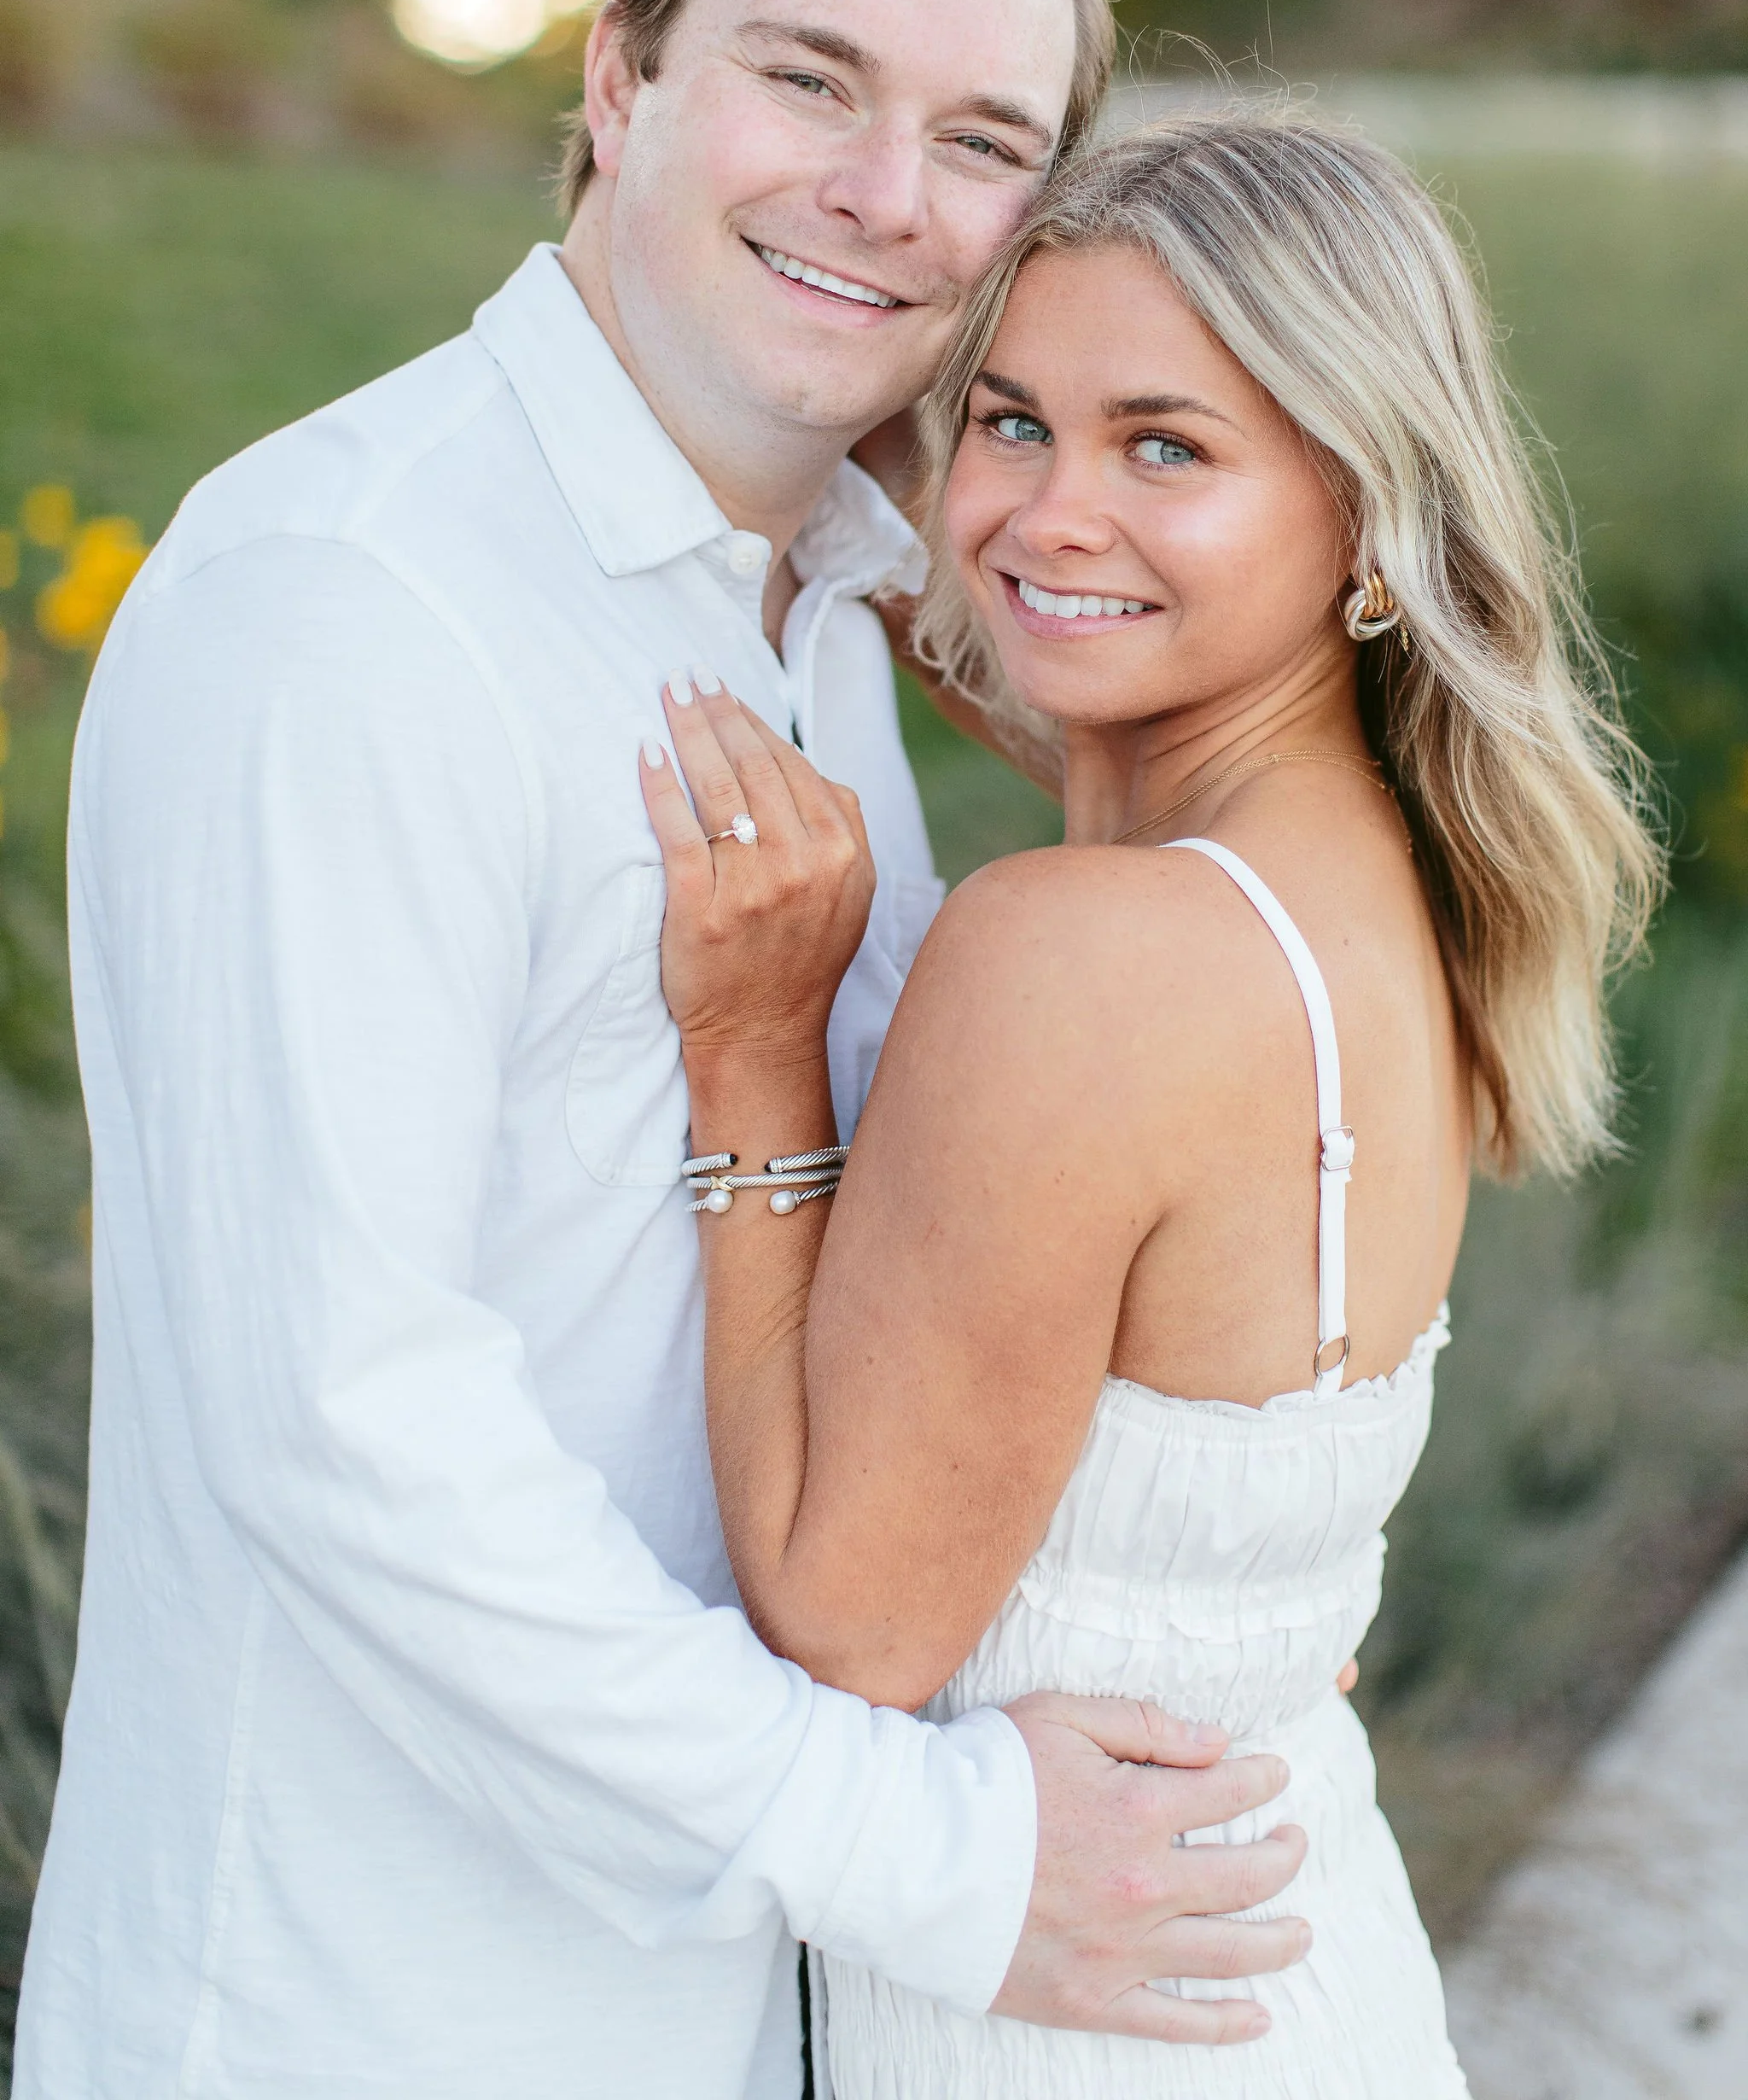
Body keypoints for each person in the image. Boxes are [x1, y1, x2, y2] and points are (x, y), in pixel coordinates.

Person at [15, 0, 1316, 2100]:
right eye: (810, 80)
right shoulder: (350, 607)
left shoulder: (824, 597)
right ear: (621, 82)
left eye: (982, 141)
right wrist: (926, 1851)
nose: (884, 196)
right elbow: (343, 1429)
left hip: (724, 2003)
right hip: (366, 2016)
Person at [638, 107, 1665, 2097]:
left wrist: (753, 1049)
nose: (1047, 514)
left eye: (1165, 447)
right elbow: (1041, 625)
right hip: (1294, 1979)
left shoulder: (1083, 959)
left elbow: (850, 1632)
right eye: (1010, 422)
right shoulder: (1390, 884)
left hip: (1074, 2032)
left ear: (1365, 517)